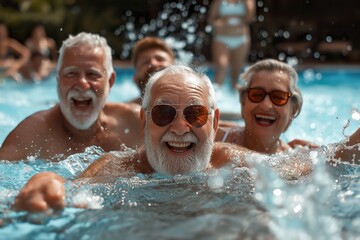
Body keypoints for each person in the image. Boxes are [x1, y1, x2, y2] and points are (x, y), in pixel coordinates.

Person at [13, 64, 253, 212]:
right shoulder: (116, 169)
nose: (180, 128)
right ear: (144, 120)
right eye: (163, 113)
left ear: (215, 122)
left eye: (196, 114)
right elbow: (68, 192)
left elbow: (288, 170)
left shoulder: (233, 161)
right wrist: (47, 178)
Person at [0, 32, 142, 161]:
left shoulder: (136, 124)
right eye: (71, 74)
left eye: (92, 74)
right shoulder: (31, 135)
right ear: (58, 79)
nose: (82, 84)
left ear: (110, 82)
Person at [215, 59, 359, 163]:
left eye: (278, 97)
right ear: (243, 102)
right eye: (257, 95)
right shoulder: (213, 137)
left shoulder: (296, 157)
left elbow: (346, 153)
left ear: (293, 110)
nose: (266, 105)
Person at [207, 0, 256, 88]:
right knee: (222, 67)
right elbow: (211, 19)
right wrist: (222, 23)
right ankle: (216, 95)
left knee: (236, 72)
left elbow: (250, 18)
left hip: (241, 39)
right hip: (221, 38)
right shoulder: (219, 1)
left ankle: (233, 97)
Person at [130, 36, 175, 105]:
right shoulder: (122, 113)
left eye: (159, 59)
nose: (153, 63)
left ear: (177, 71)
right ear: (135, 79)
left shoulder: (195, 105)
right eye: (145, 62)